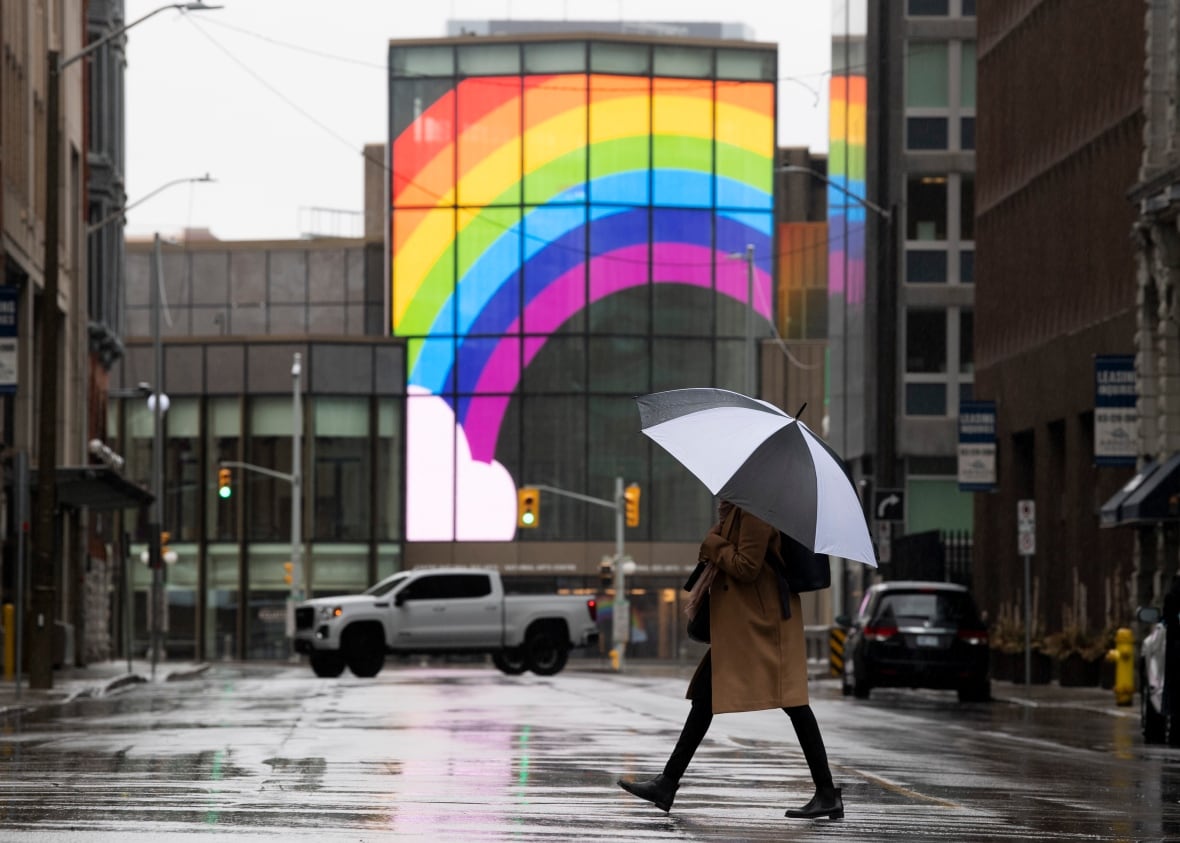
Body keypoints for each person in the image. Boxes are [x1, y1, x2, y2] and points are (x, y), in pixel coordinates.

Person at [616, 499, 843, 820]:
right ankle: (667, 783)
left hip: (760, 624)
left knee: (793, 703)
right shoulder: (739, 509)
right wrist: (718, 538)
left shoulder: (756, 510)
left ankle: (826, 792)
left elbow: (747, 566)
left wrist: (713, 544)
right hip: (746, 623)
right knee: (705, 699)